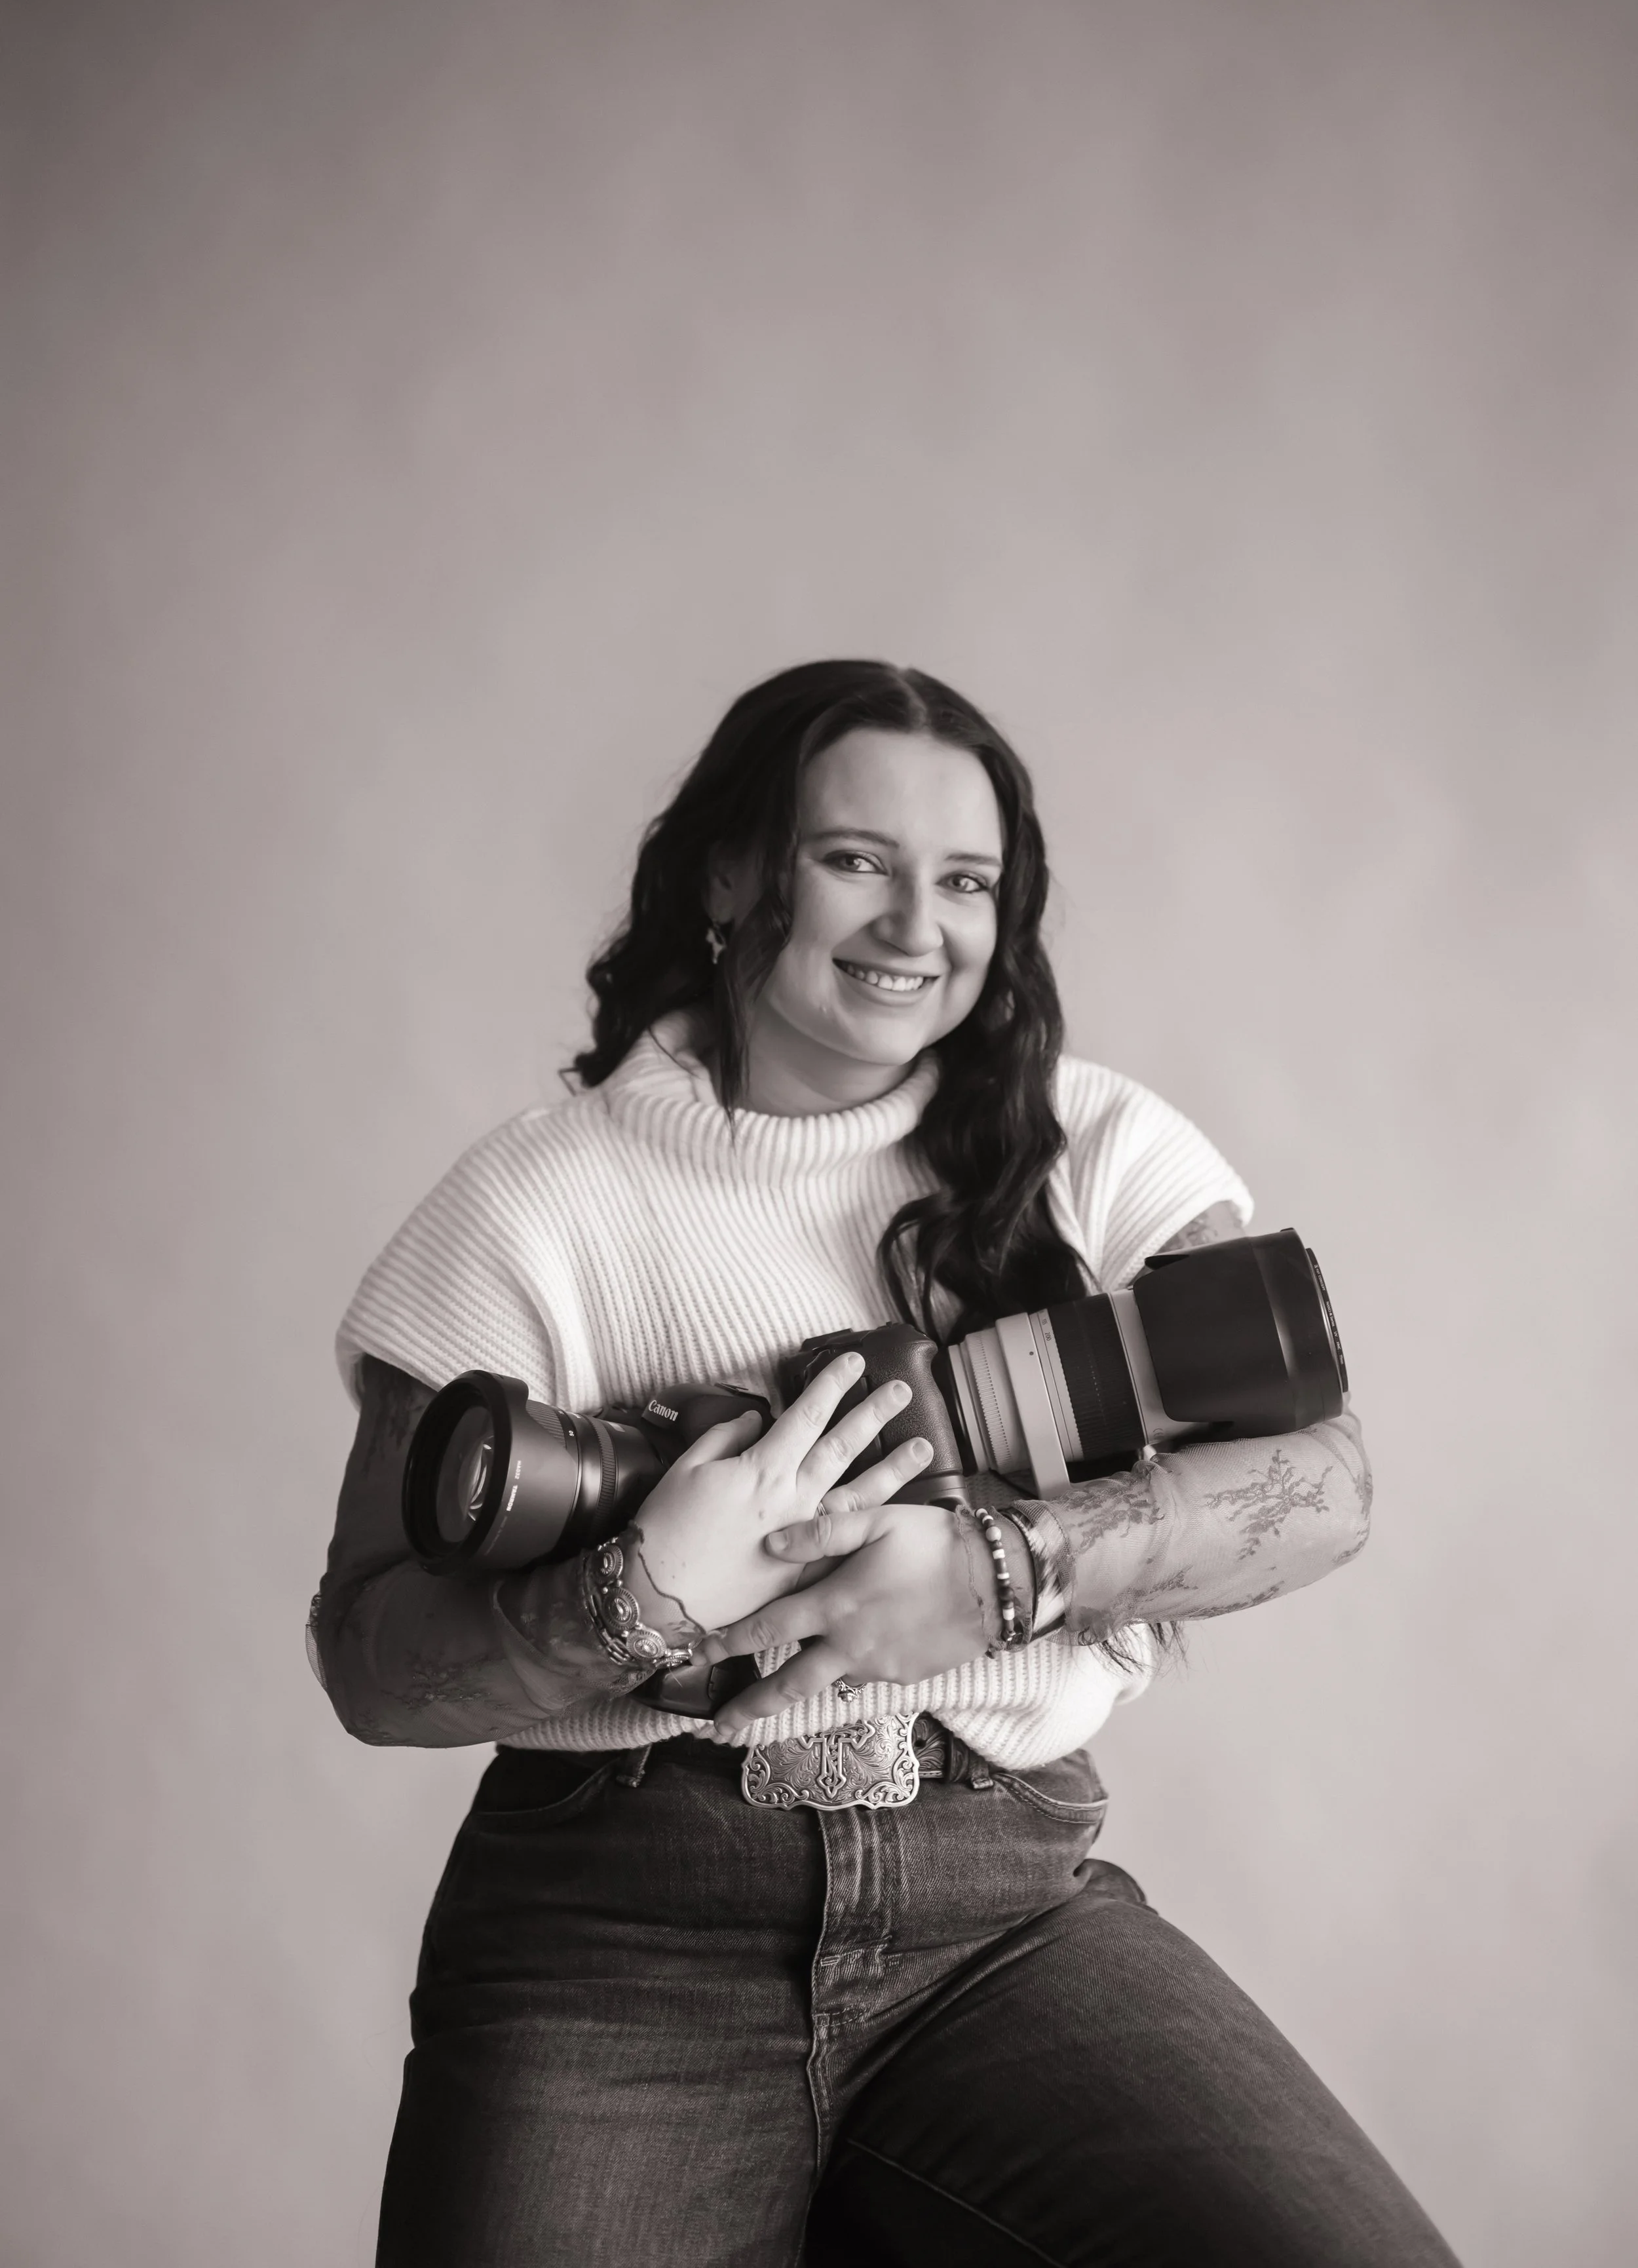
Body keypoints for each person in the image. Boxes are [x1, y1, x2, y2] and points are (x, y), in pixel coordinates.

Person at [313, 661, 1458, 2267]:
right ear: (730, 876)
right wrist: (640, 1597)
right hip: (617, 1943)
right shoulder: (531, 1205)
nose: (918, 925)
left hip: (1003, 1918)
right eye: (857, 858)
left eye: (967, 881)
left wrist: (1002, 1573)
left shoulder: (1094, 1145)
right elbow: (368, 1660)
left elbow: (1325, 1486)